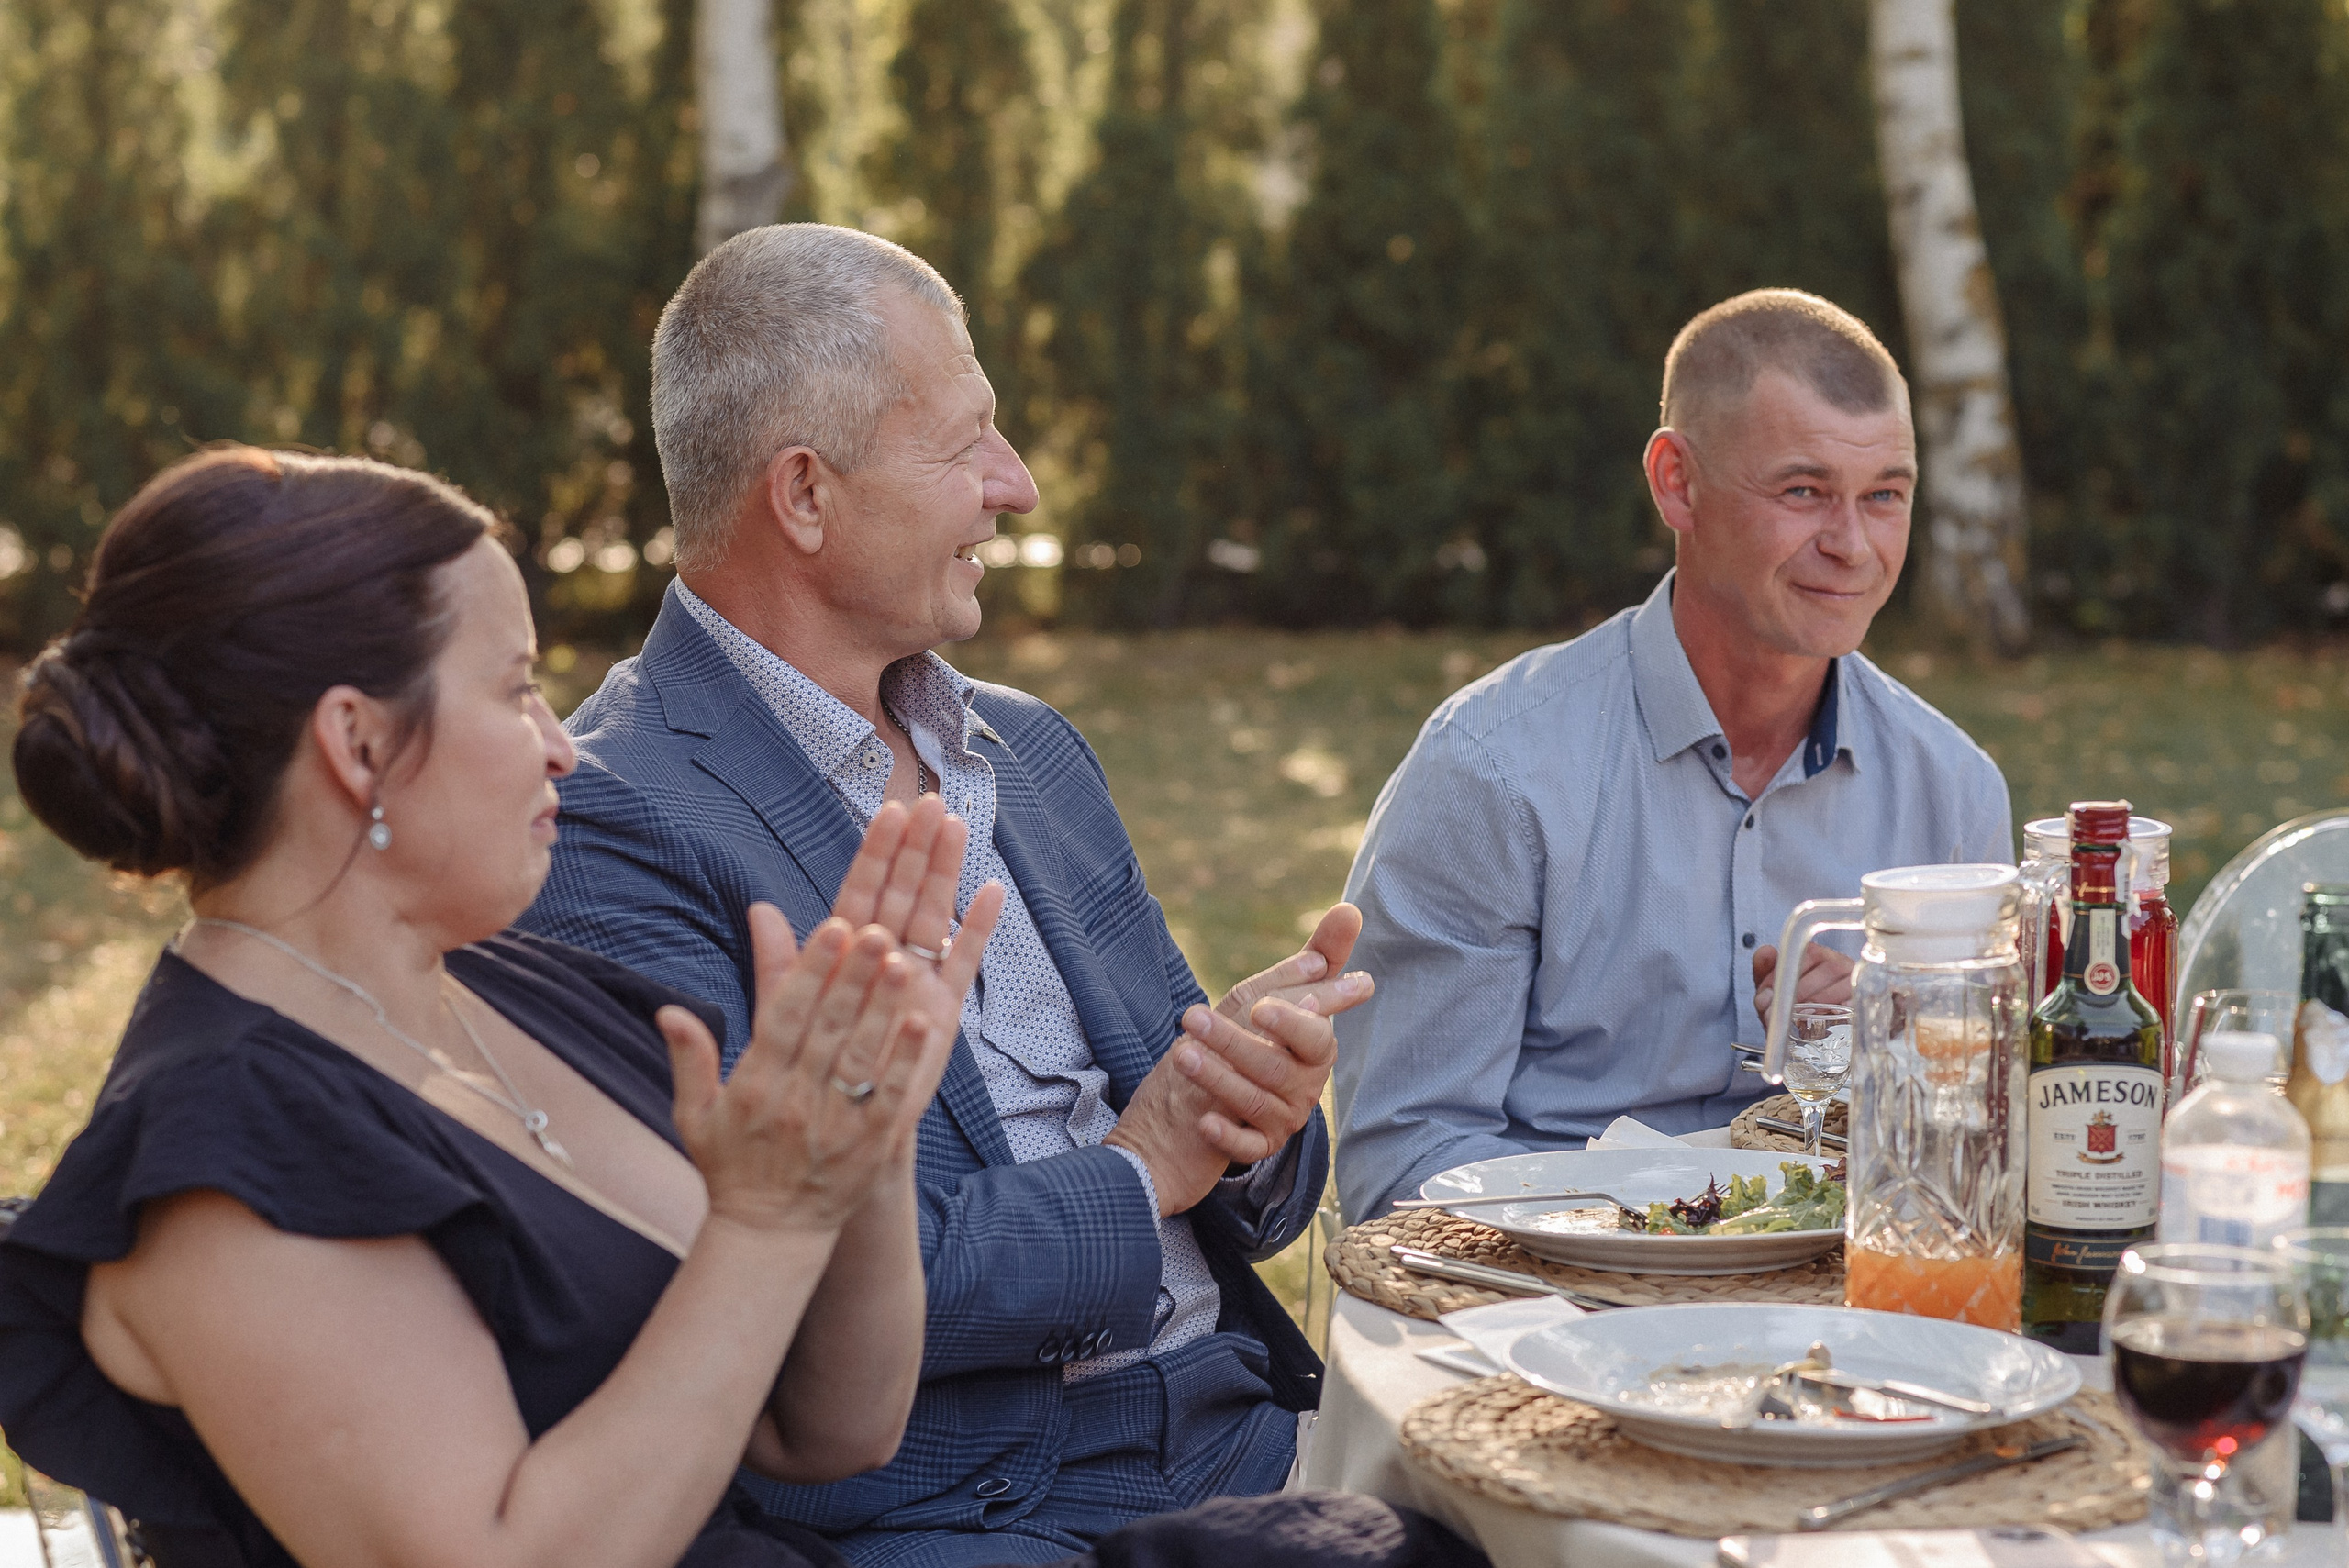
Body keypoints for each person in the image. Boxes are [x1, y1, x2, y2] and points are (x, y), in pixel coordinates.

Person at [0, 447, 1477, 1568]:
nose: (562, 749)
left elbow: (824, 1421)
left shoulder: (518, 994)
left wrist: (864, 1135)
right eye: (513, 689)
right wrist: (769, 1220)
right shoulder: (219, 1151)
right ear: (358, 743)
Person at [518, 224, 1369, 1567]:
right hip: (974, 1513)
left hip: (1243, 1436)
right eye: (967, 441)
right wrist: (1143, 1168)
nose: (1015, 486)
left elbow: (1197, 1136)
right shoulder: (609, 825)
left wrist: (1248, 1107)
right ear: (805, 495)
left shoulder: (1026, 749)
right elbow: (785, 1275)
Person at [1331, 288, 2013, 1222]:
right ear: (1676, 483)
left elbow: (1981, 1156)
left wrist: (1884, 1058)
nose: (1853, 545)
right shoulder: (1490, 770)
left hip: (1840, 1287)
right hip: (1539, 1290)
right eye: (1803, 491)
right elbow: (1403, 1166)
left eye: (1884, 496)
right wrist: (1680, 1216)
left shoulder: (1955, 792)